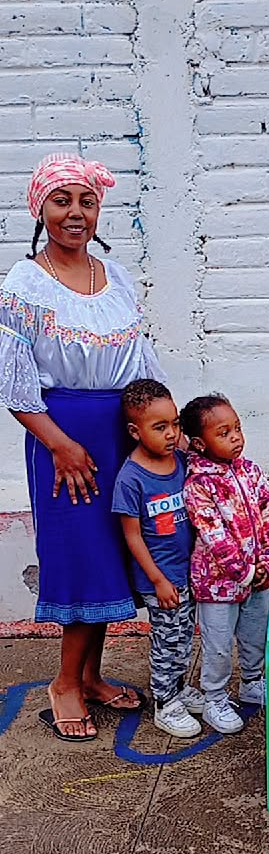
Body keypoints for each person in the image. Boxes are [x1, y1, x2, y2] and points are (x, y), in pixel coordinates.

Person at [0, 152, 165, 741]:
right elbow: (14, 385)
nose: (75, 213)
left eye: (87, 202)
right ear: (39, 209)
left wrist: (161, 429)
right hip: (63, 438)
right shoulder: (25, 283)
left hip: (121, 432)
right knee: (80, 557)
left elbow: (140, 363)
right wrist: (61, 445)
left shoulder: (115, 278)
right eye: (61, 201)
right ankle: (64, 683)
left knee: (113, 553)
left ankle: (91, 677)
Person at [181, 394, 269, 734]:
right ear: (199, 443)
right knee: (219, 646)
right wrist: (246, 572)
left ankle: (251, 682)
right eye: (223, 433)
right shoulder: (198, 484)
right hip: (217, 585)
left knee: (256, 635)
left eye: (237, 428)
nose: (236, 438)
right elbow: (214, 536)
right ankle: (214, 698)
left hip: (259, 578)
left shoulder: (251, 471)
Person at [112, 380, 204, 740]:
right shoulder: (131, 478)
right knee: (167, 641)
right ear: (135, 431)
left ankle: (178, 688)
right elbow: (132, 536)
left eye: (175, 424)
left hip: (187, 572)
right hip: (160, 580)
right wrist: (158, 580)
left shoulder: (181, 462)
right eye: (160, 427)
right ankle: (165, 703)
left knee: (184, 636)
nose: (171, 434)